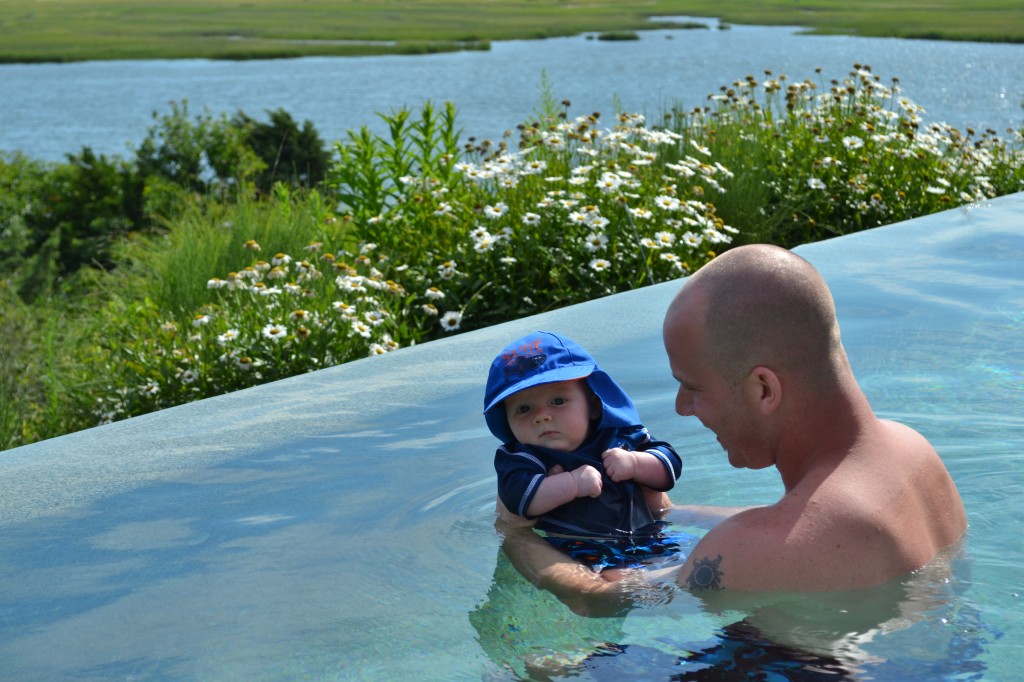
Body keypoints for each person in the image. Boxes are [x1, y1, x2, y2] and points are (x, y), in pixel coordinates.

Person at [497, 245, 966, 602]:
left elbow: (597, 599)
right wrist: (666, 512)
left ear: (763, 389)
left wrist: (515, 532)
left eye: (694, 387)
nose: (682, 407)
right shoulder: (914, 452)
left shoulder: (751, 549)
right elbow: (801, 529)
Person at [484, 331, 687, 580]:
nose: (542, 416)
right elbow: (518, 498)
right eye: (524, 408)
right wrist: (572, 483)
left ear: (593, 404)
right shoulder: (524, 457)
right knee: (623, 582)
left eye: (558, 400)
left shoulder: (618, 438)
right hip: (583, 547)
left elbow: (670, 464)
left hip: (651, 532)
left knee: (695, 564)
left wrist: (636, 463)